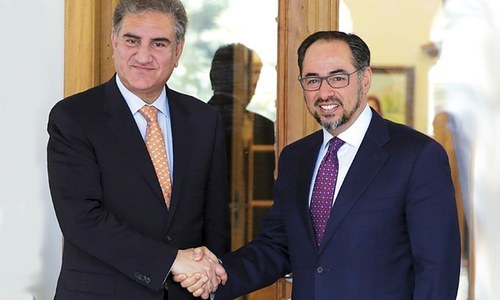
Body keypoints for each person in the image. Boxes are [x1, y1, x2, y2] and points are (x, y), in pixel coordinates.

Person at [176, 30, 461, 299]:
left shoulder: (418, 156)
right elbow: (278, 246)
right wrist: (216, 275)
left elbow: (437, 270)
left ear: (365, 79)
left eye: (338, 78)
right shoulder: (295, 158)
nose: (324, 93)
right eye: (312, 80)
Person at [47, 0, 229, 299]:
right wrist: (171, 260)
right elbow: (82, 221)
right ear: (115, 41)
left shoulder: (204, 120)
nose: (143, 56)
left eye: (159, 43)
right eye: (133, 40)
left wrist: (209, 280)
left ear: (177, 51)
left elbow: (215, 222)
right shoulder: (74, 117)